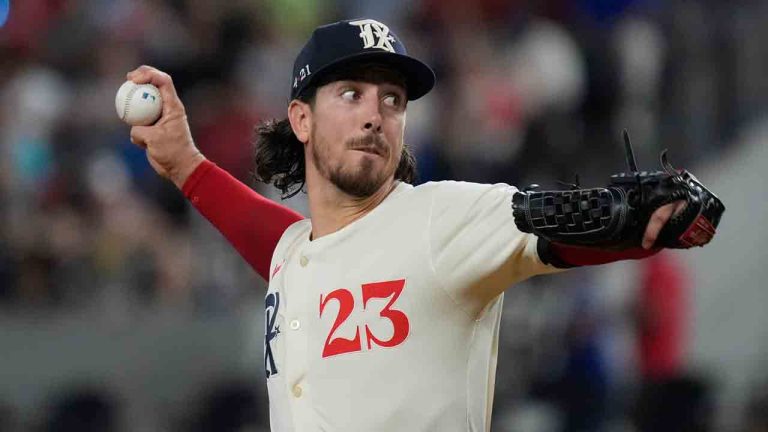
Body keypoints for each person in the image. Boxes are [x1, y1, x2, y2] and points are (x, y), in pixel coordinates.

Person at [127, 18, 695, 432]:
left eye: (393, 99)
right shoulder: (296, 252)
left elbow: (548, 225)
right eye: (351, 93)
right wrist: (185, 166)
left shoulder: (440, 218)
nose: (376, 113)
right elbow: (280, 242)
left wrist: (637, 222)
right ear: (300, 119)